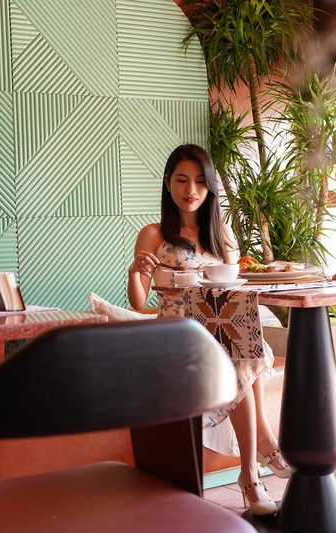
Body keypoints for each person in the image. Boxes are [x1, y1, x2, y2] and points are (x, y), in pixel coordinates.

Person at [127, 144, 291, 516]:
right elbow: (138, 301)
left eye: (201, 182)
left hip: (220, 332)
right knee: (238, 349)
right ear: (168, 183)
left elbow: (238, 291)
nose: (191, 190)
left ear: (210, 186)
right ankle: (260, 454)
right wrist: (136, 272)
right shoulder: (153, 234)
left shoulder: (224, 235)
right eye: (182, 180)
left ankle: (251, 471)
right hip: (176, 337)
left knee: (241, 344)